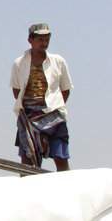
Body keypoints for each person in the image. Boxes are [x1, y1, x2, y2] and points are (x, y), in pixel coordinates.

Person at [11, 23, 73, 171]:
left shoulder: (58, 61)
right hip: (28, 115)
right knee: (27, 158)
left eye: (46, 39)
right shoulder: (19, 63)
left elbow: (65, 89)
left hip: (53, 115)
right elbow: (17, 90)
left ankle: (68, 190)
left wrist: (52, 106)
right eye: (40, 40)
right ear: (30, 40)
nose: (44, 43)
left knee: (61, 156)